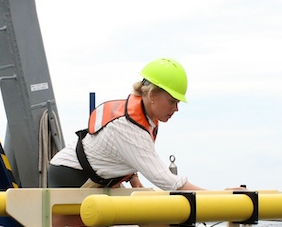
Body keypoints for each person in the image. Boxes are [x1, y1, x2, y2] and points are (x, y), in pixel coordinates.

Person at [47, 58, 205, 191]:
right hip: (71, 177)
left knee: (145, 211)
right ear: (152, 95)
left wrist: (134, 179)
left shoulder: (146, 119)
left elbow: (124, 154)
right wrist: (215, 195)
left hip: (98, 178)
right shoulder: (127, 127)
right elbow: (165, 180)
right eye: (172, 101)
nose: (176, 109)